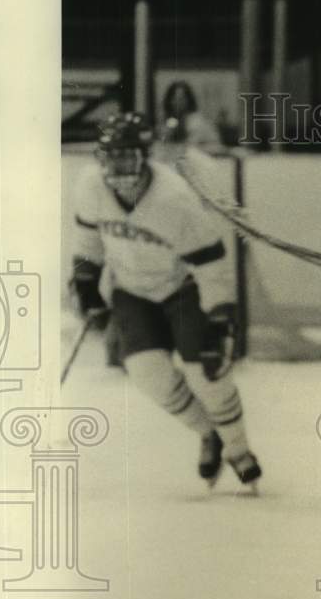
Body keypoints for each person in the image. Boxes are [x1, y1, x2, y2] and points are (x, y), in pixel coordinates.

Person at [71, 111, 262, 490]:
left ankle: (239, 449)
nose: (118, 168)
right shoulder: (90, 185)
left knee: (207, 369)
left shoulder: (174, 198)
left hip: (183, 287)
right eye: (110, 157)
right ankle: (210, 434)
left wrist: (219, 317)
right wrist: (86, 285)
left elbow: (211, 265)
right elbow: (88, 242)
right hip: (132, 289)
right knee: (147, 374)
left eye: (127, 157)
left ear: (144, 155)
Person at [161, 80, 221, 152]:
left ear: (188, 100)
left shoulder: (196, 121)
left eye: (181, 99)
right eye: (174, 98)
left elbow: (189, 147)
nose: (177, 102)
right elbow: (163, 143)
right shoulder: (171, 120)